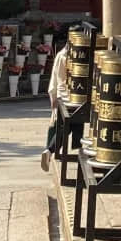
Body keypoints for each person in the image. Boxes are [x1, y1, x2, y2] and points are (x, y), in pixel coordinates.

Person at [39, 34, 68, 171]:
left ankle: (49, 151)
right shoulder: (66, 56)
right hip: (67, 98)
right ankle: (49, 150)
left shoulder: (63, 54)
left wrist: (54, 95)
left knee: (58, 126)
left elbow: (54, 79)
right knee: (64, 127)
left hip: (61, 95)